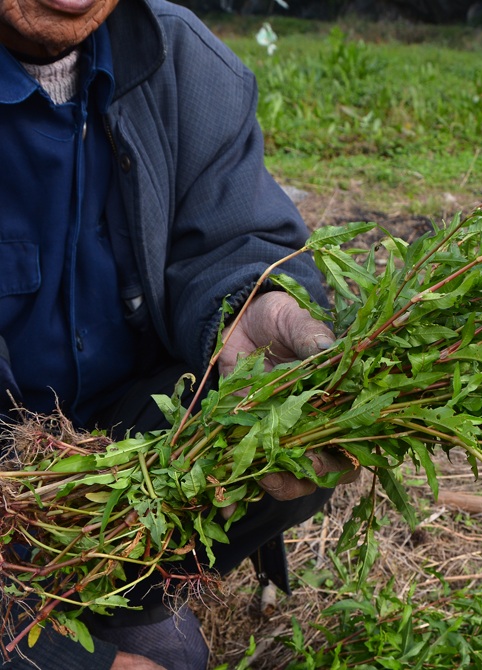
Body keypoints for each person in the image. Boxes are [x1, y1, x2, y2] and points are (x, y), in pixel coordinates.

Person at [0, 0, 356, 667]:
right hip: (6, 497)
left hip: (113, 462)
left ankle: (106, 596)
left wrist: (254, 302)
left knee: (283, 422)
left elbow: (237, 236)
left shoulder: (181, 61)